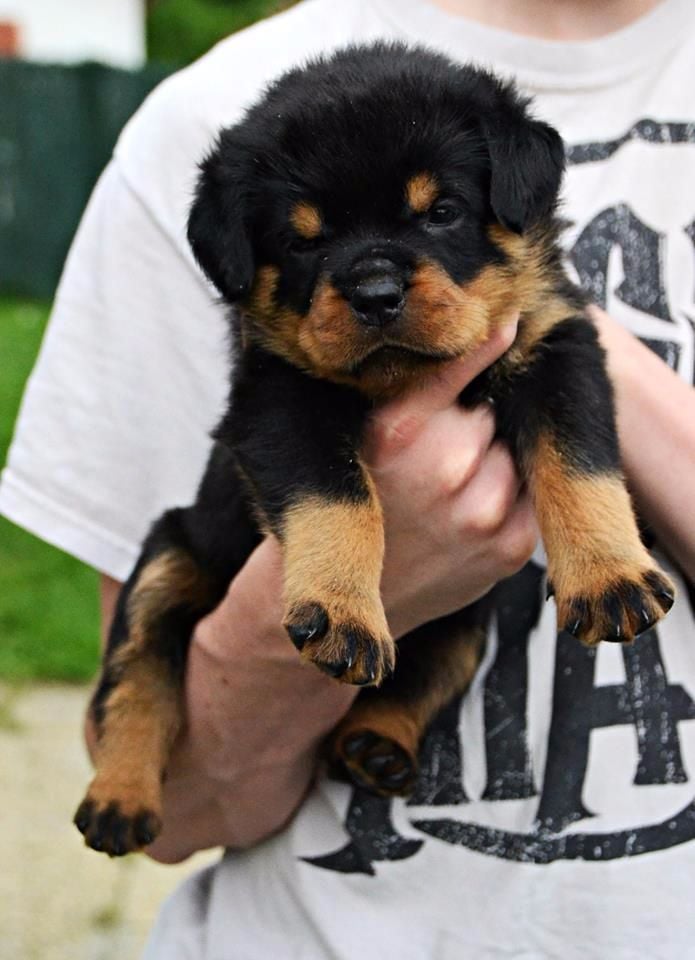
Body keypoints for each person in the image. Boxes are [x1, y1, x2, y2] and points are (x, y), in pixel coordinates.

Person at [2, 0, 695, 956]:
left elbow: (562, 398)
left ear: (520, 203)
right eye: (307, 243)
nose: (374, 283)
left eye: (437, 216)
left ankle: (394, 722)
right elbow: (192, 819)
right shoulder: (191, 124)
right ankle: (134, 745)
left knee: (470, 621)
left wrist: (600, 549)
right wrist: (331, 585)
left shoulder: (516, 241)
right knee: (166, 581)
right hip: (290, 880)